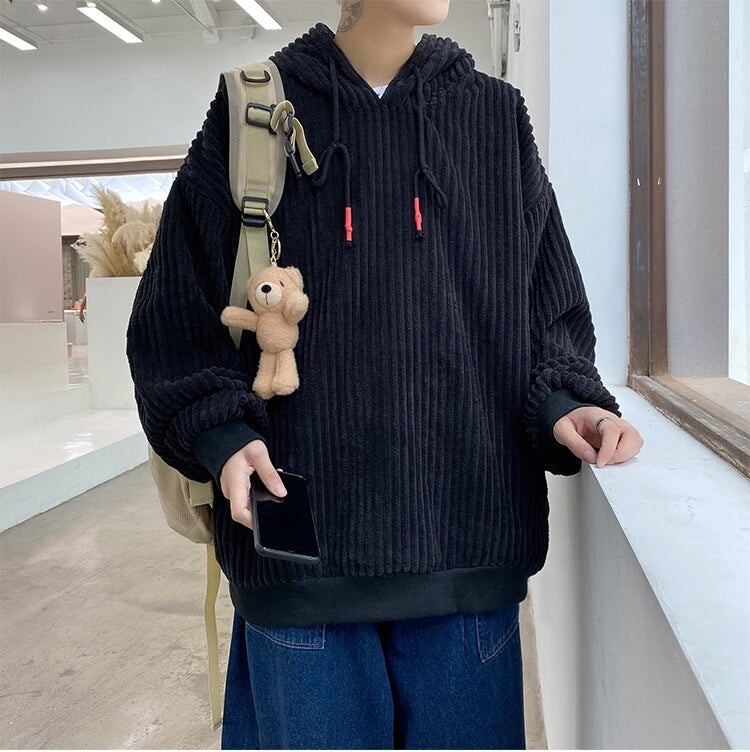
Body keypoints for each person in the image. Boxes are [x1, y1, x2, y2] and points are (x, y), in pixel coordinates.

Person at [126, 0, 644, 748]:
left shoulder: (495, 116)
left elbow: (547, 308)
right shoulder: (253, 109)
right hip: (295, 549)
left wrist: (568, 402)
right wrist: (222, 434)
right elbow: (174, 316)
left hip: (465, 542)